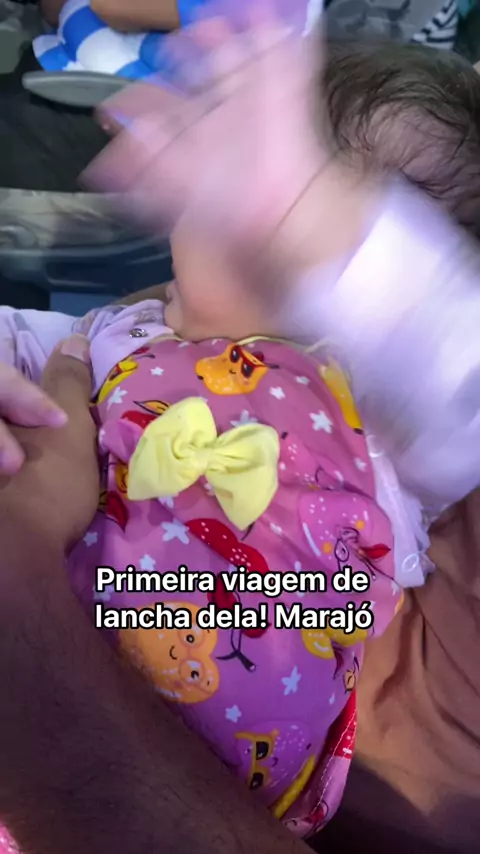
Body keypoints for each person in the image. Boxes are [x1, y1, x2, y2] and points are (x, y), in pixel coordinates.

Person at [0, 6, 478, 854]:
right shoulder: (119, 334)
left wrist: (306, 224)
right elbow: (22, 352)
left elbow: (451, 376)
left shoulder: (383, 427)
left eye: (347, 212)